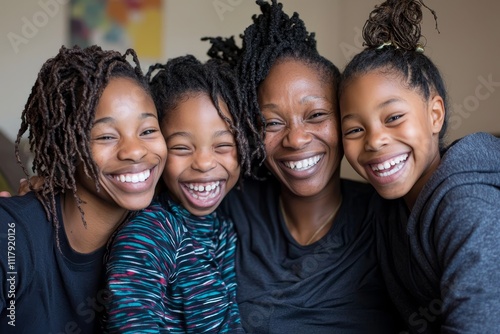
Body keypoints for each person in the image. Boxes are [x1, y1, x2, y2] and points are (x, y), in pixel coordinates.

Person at [203, 1, 402, 332]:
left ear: (343, 120)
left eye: (316, 115)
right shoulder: (229, 209)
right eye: (272, 123)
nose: (295, 139)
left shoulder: (388, 217)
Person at [338, 0, 500, 332]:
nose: (374, 140)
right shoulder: (389, 212)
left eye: (394, 117)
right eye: (355, 129)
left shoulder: (466, 203)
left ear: (434, 115)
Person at [0, 45, 167, 333]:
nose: (135, 151)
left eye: (148, 131)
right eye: (105, 136)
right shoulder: (12, 234)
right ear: (67, 147)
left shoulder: (166, 233)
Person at [103, 55, 254, 333]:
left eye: (222, 146)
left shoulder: (224, 229)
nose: (204, 163)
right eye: (182, 148)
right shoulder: (149, 233)